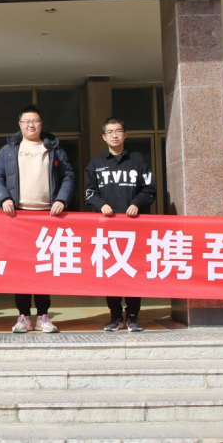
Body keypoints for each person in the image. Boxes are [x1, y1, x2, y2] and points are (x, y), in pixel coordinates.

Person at [0, 104, 76, 334]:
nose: (31, 125)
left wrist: (62, 199)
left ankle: (43, 316)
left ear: (41, 124)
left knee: (44, 267)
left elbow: (68, 176)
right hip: (18, 217)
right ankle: (23, 316)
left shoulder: (54, 149)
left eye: (35, 120)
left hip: (47, 216)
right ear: (20, 124)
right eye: (26, 121)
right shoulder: (8, 150)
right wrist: (3, 198)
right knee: (21, 269)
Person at [84, 117, 156, 332]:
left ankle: (133, 315)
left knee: (133, 269)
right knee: (111, 271)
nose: (114, 135)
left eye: (118, 131)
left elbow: (149, 189)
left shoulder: (138, 160)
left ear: (125, 134)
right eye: (110, 132)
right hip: (107, 229)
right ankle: (115, 315)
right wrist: (101, 204)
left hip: (134, 228)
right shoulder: (96, 164)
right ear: (103, 137)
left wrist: (136, 203)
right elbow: (89, 192)